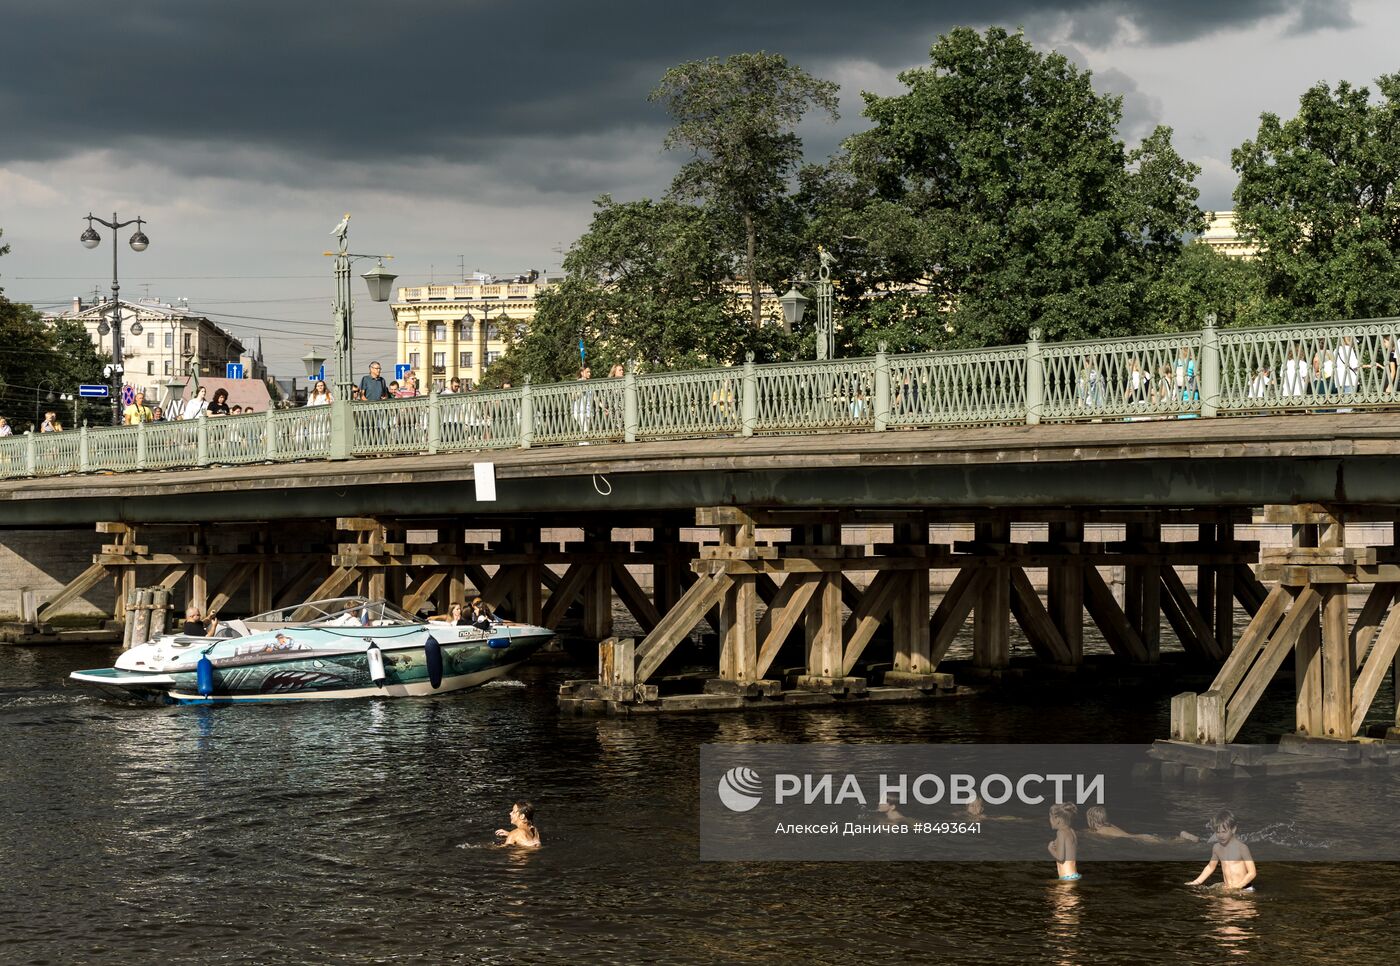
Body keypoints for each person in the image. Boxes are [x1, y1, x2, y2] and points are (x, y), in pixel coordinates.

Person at [1186, 809, 1257, 891]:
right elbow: (1210, 867)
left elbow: (1252, 873)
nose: (1221, 835)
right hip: (1228, 888)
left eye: (1224, 832)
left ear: (1233, 829)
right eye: (1218, 832)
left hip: (1244, 888)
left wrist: (1237, 887)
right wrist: (1197, 881)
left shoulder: (1242, 848)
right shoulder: (1217, 848)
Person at [1084, 805, 1162, 843]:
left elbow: (1090, 833)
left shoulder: (1099, 831)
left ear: (1090, 819)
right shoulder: (1110, 825)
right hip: (1142, 836)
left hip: (1140, 838)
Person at [1047, 802, 1079, 880]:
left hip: (1066, 878)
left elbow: (1060, 857)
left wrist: (1050, 849)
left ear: (1057, 819)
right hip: (1074, 875)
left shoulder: (1060, 833)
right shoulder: (1071, 831)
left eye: (1050, 817)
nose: (1049, 820)